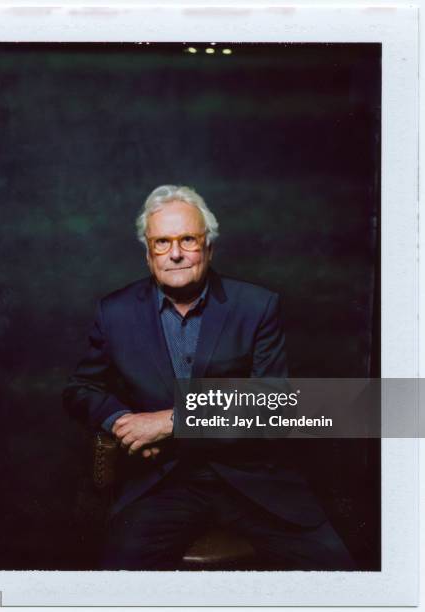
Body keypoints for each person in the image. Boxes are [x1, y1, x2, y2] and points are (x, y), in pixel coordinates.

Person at [63, 185, 354, 570]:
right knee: (117, 579)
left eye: (188, 239)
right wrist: (121, 422)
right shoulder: (114, 312)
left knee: (338, 573)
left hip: (253, 481)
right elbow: (81, 388)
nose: (176, 253)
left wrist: (168, 421)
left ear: (209, 248)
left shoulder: (257, 306)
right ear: (148, 255)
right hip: (162, 484)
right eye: (162, 242)